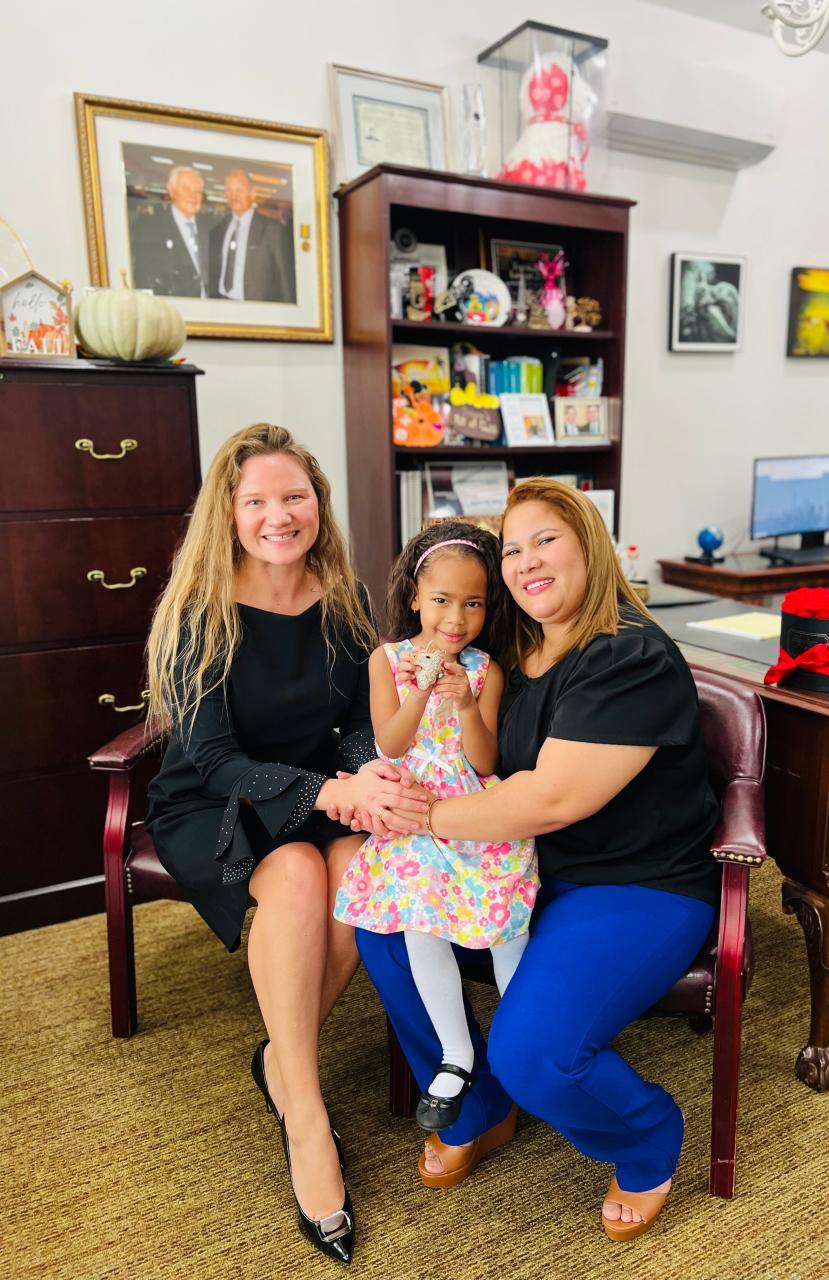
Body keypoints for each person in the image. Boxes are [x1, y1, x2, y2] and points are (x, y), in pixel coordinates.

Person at [343, 478, 721, 1242]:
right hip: (527, 866)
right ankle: (479, 1106)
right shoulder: (512, 652)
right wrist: (376, 779)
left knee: (536, 1050)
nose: (526, 561)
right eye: (512, 548)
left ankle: (646, 1137)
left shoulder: (628, 656)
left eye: (546, 539)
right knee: (383, 924)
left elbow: (549, 798)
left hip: (634, 884)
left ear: (590, 544)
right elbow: (438, 742)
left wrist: (416, 821)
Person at [144, 423, 430, 1264]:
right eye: (258, 500)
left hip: (312, 789)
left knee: (357, 866)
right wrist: (331, 791)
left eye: (294, 496)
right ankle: (305, 1115)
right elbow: (214, 760)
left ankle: (279, 1056)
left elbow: (349, 727)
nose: (280, 515)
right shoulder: (198, 613)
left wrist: (366, 781)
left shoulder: (342, 599)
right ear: (227, 514)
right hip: (214, 800)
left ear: (318, 503)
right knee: (302, 876)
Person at [332, 523, 538, 1132]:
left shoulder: (485, 671)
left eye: (473, 603)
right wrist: (422, 690)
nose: (457, 617)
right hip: (414, 810)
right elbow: (391, 743)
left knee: (505, 922)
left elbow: (484, 762)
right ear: (416, 597)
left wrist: (467, 704)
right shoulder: (386, 661)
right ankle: (456, 1052)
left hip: (472, 809)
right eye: (443, 599)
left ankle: (522, 1037)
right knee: (421, 921)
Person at [208, 168, 296, 303]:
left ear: (253, 193)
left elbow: (285, 279)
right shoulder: (218, 229)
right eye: (229, 190)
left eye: (239, 190)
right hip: (221, 304)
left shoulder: (272, 229)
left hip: (257, 309)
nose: (234, 196)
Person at [129, 165, 211, 298]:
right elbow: (143, 276)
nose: (193, 196)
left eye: (198, 191)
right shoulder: (151, 229)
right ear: (171, 191)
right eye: (186, 188)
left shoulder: (210, 227)